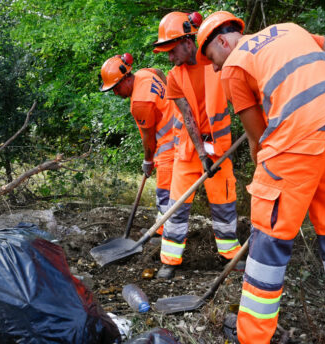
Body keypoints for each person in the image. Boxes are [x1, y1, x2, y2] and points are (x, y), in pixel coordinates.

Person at [196, 11, 325, 344]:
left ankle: (251, 338)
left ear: (223, 41)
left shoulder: (234, 66)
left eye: (212, 59)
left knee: (269, 245)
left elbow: (258, 142)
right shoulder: (289, 30)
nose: (215, 67)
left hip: (296, 144)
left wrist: (265, 184)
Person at [152, 11, 242, 279]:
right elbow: (188, 118)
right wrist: (201, 154)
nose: (169, 57)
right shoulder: (174, 77)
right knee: (176, 205)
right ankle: (170, 260)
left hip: (222, 148)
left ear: (188, 42)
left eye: (172, 50)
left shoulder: (219, 61)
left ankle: (231, 257)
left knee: (224, 204)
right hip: (189, 150)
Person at [99, 53, 176, 236]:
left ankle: (167, 236)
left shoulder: (140, 103)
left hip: (171, 146)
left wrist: (148, 161)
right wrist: (170, 94)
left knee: (165, 196)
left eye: (116, 88)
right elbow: (158, 71)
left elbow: (148, 138)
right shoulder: (144, 74)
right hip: (177, 133)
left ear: (126, 79)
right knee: (170, 193)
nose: (116, 94)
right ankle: (162, 229)